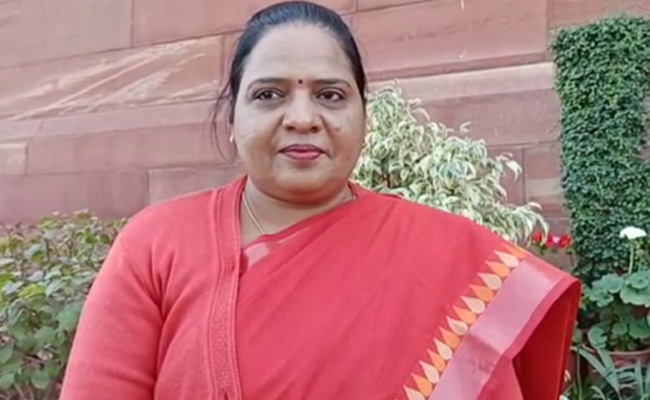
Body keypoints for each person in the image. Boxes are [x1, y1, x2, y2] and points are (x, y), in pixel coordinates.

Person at [59, 2, 580, 399]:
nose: (303, 118)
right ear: (233, 117)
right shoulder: (156, 245)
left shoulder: (450, 259)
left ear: (363, 117)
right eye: (269, 94)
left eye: (330, 95)